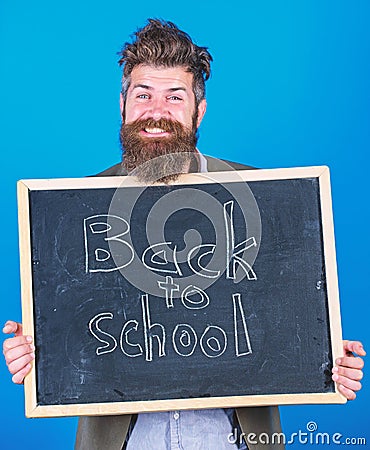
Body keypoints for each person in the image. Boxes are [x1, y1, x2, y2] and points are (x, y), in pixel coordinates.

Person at [2, 19, 366, 450]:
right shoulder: (77, 209)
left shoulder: (266, 194)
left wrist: (323, 352)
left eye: (174, 96)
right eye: (143, 95)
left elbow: (287, 318)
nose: (156, 112)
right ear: (122, 103)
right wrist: (39, 352)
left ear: (200, 109)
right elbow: (70, 333)